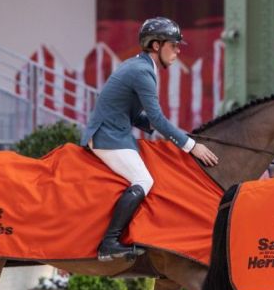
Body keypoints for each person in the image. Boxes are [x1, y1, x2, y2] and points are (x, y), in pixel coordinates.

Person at [81, 17, 218, 261]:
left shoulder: (139, 66)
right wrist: (191, 146)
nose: (177, 51)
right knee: (143, 179)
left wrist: (174, 135)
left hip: (117, 130)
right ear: (156, 46)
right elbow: (156, 117)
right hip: (108, 136)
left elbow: (136, 115)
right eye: (173, 45)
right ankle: (109, 243)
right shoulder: (142, 72)